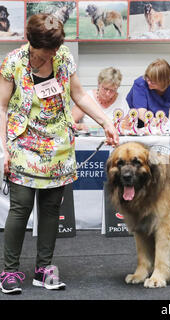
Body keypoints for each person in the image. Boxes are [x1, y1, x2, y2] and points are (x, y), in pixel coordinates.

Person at [0, 13, 119, 294]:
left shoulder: (64, 57)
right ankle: (10, 270)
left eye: (57, 47)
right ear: (33, 43)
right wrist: (2, 148)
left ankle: (43, 268)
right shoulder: (13, 63)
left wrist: (105, 121)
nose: (54, 52)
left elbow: (78, 94)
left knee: (52, 208)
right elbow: (2, 107)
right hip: (23, 144)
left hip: (58, 146)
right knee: (20, 207)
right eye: (49, 49)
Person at [126, 58, 170, 127]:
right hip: (139, 119)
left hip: (162, 119)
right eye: (147, 78)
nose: (148, 82)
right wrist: (158, 121)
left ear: (163, 83)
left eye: (152, 82)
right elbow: (141, 113)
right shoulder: (140, 84)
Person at [72, 67, 130, 131]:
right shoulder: (86, 98)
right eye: (105, 89)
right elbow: (69, 123)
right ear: (99, 84)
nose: (108, 93)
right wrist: (79, 126)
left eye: (112, 90)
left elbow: (128, 126)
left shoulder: (121, 100)